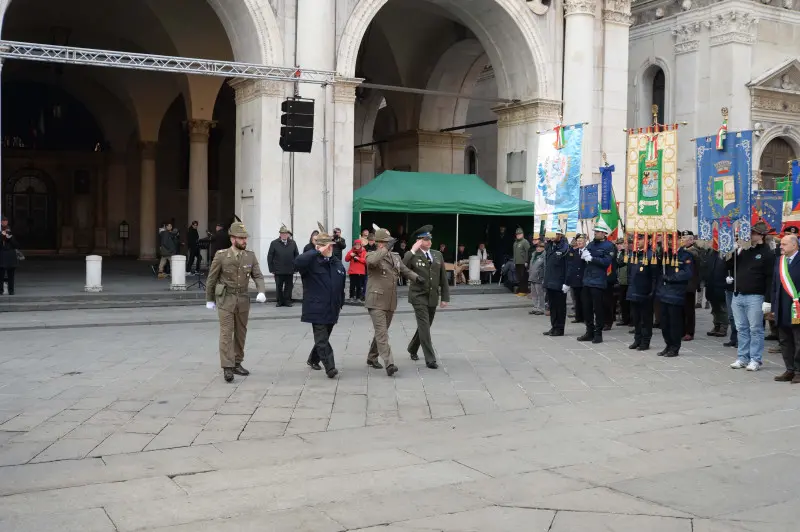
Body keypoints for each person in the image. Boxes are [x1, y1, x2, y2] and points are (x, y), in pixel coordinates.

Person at [205, 222, 267, 383]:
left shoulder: (250, 256)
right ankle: (227, 367)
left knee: (241, 333)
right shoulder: (221, 255)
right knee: (226, 332)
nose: (244, 241)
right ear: (232, 239)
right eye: (241, 238)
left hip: (243, 299)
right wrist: (209, 299)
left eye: (245, 238)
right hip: (226, 298)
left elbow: (258, 275)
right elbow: (211, 278)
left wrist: (261, 290)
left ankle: (237, 362)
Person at [365, 225, 420, 376]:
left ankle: (371, 357)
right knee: (382, 333)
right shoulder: (371, 254)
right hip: (375, 301)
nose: (391, 244)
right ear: (381, 243)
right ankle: (389, 363)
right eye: (388, 242)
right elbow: (372, 262)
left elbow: (404, 270)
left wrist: (416, 278)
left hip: (390, 301)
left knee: (381, 332)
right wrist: (383, 250)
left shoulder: (395, 256)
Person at [294, 223, 346, 379]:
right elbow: (297, 262)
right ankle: (330, 367)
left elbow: (341, 281)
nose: (330, 248)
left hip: (332, 306)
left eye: (331, 245)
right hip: (316, 306)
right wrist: (315, 252)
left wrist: (340, 301)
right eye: (327, 246)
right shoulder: (310, 262)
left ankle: (313, 359)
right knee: (322, 339)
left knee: (325, 337)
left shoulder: (335, 262)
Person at [728, 221, 774, 371]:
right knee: (741, 328)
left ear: (760, 235)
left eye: (752, 233)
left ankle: (755, 359)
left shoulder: (767, 253)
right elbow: (729, 266)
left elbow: (769, 278)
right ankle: (742, 357)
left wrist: (768, 299)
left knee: (755, 329)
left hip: (756, 295)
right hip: (739, 293)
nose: (748, 235)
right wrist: (733, 251)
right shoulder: (744, 250)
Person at [403, 225, 450, 369]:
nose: (429, 242)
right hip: (418, 296)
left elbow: (443, 277)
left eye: (430, 239)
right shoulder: (412, 255)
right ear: (418, 241)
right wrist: (412, 250)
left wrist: (445, 297)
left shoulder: (437, 255)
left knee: (425, 326)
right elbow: (402, 266)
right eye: (425, 239)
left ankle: (412, 348)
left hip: (432, 296)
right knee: (424, 326)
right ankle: (430, 359)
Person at [655, 235, 694, 357]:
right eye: (669, 239)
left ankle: (675, 347)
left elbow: (687, 273)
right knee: (664, 323)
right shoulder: (666, 255)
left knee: (674, 323)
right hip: (664, 293)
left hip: (676, 293)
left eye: (674, 239)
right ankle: (668, 345)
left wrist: (672, 278)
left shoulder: (685, 255)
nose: (671, 242)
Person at [578, 220, 615, 343]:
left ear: (604, 233)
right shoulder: (591, 244)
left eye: (598, 232)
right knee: (586, 308)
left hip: (598, 281)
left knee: (598, 309)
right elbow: (584, 260)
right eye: (595, 231)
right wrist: (582, 254)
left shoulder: (609, 246)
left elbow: (606, 262)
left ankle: (598, 334)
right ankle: (589, 331)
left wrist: (592, 258)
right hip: (587, 280)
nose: (596, 233)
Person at [771, 233, 800, 383]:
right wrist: (772, 305)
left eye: (784, 244)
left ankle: (799, 371)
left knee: (798, 340)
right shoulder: (780, 261)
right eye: (780, 244)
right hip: (782, 306)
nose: (780, 246)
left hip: (797, 307)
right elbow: (775, 285)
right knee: (784, 339)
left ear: (794, 245)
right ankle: (789, 369)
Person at [627, 234, 657, 351]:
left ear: (648, 240)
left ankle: (645, 341)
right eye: (637, 239)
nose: (638, 241)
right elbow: (630, 273)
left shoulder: (651, 255)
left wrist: (652, 291)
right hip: (633, 291)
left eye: (641, 239)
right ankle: (637, 339)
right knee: (636, 318)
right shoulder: (633, 254)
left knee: (646, 319)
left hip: (645, 292)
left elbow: (654, 277)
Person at [542, 228, 569, 335]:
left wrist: (567, 282)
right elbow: (542, 237)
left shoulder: (565, 248)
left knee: (560, 307)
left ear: (560, 235)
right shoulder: (550, 246)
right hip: (550, 281)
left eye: (555, 234)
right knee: (552, 306)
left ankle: (560, 328)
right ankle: (554, 326)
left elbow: (568, 267)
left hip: (559, 282)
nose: (552, 236)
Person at [267, 225, 299, 307]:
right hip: (278, 270)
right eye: (283, 233)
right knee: (279, 287)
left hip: (289, 269)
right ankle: (280, 301)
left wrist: (296, 267)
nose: (284, 235)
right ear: (280, 234)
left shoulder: (293, 243)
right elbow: (270, 256)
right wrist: (271, 269)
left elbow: (296, 255)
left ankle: (287, 301)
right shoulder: (274, 243)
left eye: (286, 233)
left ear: (288, 234)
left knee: (289, 286)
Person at [705, 246, 729, 339]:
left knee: (722, 307)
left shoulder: (725, 252)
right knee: (714, 308)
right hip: (711, 283)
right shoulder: (710, 252)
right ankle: (716, 325)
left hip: (721, 283)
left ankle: (724, 326)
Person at [681, 231, 701, 341]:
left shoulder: (694, 252)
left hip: (689, 284)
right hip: (682, 284)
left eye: (685, 238)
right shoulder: (683, 251)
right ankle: (683, 330)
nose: (682, 240)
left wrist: (695, 284)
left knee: (689, 310)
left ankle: (689, 331)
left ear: (691, 240)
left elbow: (696, 269)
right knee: (682, 309)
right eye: (682, 238)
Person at [565, 235, 586, 323]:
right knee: (577, 300)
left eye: (581, 241)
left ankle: (585, 317)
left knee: (585, 300)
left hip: (584, 279)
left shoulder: (588, 252)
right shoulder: (574, 252)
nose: (579, 242)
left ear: (585, 242)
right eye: (578, 241)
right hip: (576, 280)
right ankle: (578, 317)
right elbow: (571, 266)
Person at [0, 216, 19, 295]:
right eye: (3, 221)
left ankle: (11, 290)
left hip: (10, 256)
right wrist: (2, 237)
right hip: (2, 255)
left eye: (5, 221)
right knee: (1, 275)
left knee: (11, 275)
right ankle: (1, 290)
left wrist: (9, 238)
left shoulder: (12, 231)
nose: (4, 223)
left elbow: (16, 245)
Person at [615, 238, 631, 326]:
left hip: (627, 280)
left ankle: (630, 319)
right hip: (621, 280)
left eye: (621, 244)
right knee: (622, 301)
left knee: (628, 302)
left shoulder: (627, 253)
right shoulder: (620, 253)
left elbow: (621, 263)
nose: (619, 245)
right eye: (618, 244)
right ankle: (625, 319)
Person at [528, 240, 546, 315]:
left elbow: (545, 268)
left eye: (541, 247)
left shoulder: (544, 256)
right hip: (532, 277)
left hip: (539, 278)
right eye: (537, 247)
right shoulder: (534, 254)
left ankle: (541, 308)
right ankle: (535, 307)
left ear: (544, 248)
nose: (538, 248)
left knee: (540, 294)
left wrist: (544, 278)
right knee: (534, 294)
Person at [513, 228, 531, 295]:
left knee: (524, 277)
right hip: (517, 262)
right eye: (517, 234)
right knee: (519, 277)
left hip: (523, 262)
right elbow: (514, 253)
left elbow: (528, 251)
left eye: (520, 234)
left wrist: (527, 261)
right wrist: (514, 261)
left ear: (522, 234)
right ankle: (520, 290)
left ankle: (524, 290)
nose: (518, 235)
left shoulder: (525, 242)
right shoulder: (515, 243)